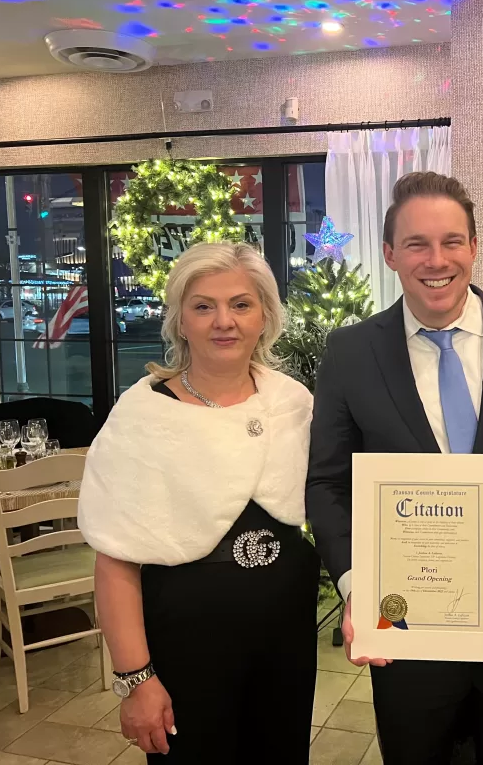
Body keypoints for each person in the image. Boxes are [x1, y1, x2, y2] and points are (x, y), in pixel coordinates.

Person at [306, 171, 483, 764]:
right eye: (416, 244)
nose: (436, 260)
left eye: (451, 241)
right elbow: (328, 484)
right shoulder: (350, 353)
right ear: (389, 253)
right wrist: (357, 584)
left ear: (474, 246)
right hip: (408, 630)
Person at [78, 243, 318, 763]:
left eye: (241, 304)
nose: (223, 322)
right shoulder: (143, 414)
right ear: (180, 321)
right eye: (203, 306)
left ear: (265, 317)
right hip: (186, 642)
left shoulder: (293, 403)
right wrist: (135, 679)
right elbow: (115, 556)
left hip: (286, 641)